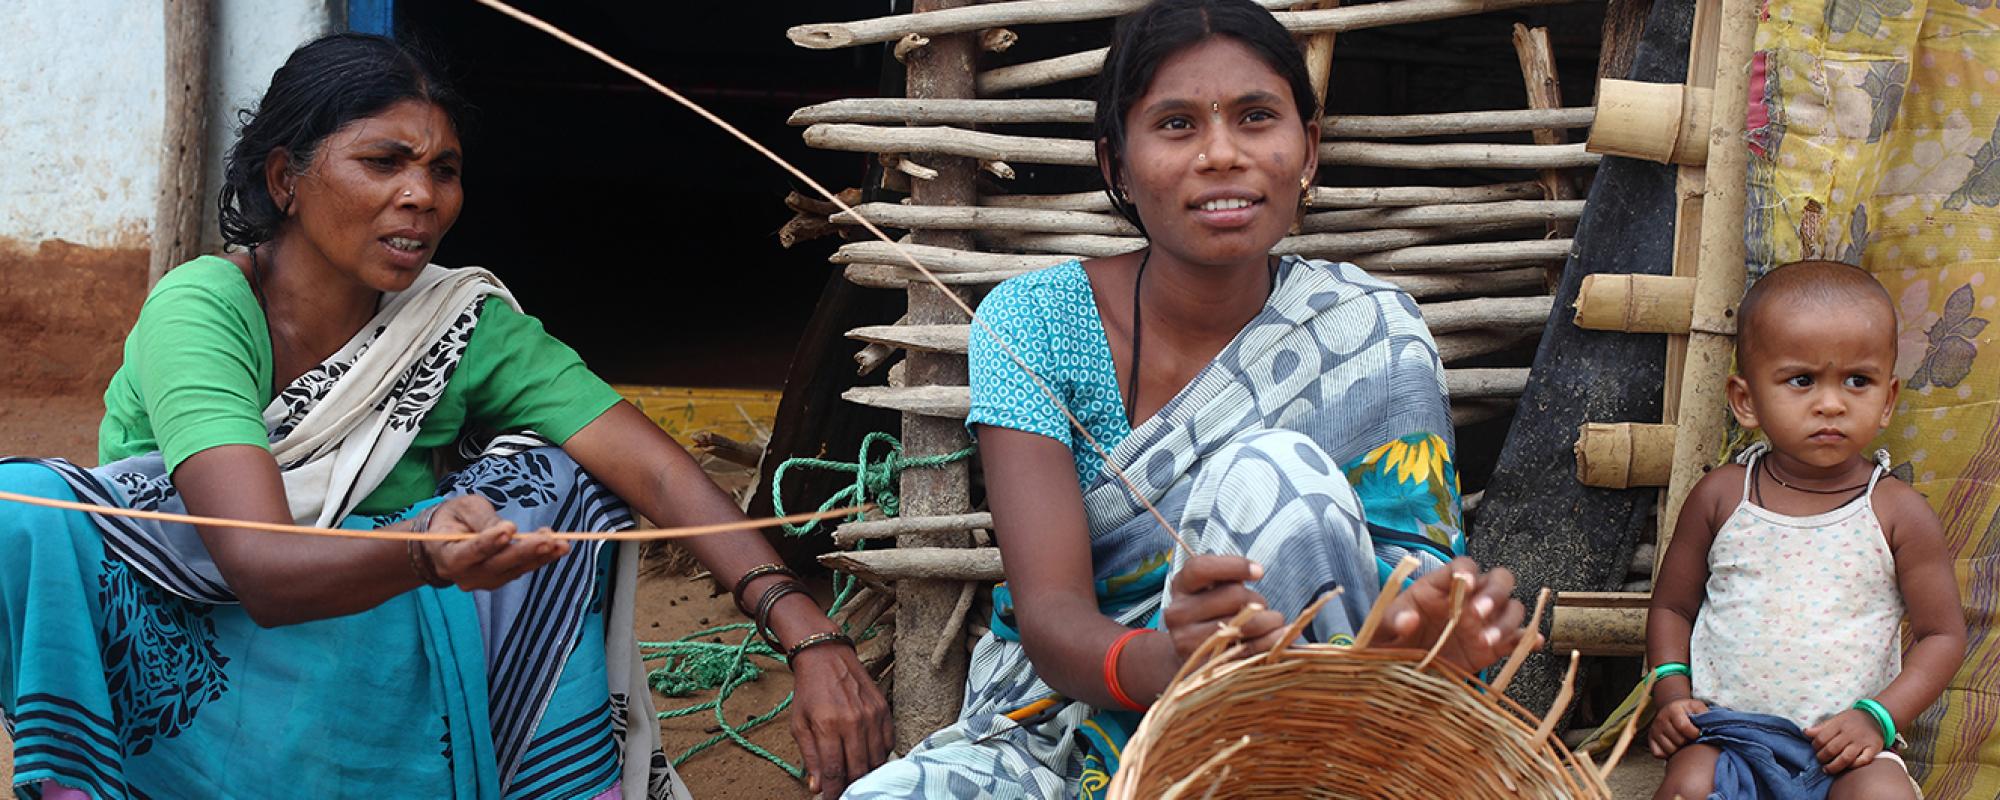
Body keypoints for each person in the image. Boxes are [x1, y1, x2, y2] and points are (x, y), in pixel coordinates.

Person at [0, 33, 889, 800]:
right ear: (286, 178)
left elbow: (652, 467)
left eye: (444, 169)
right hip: (200, 653)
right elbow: (259, 566)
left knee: (564, 477)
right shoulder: (203, 308)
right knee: (26, 515)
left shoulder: (456, 320)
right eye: (384, 162)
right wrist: (425, 549)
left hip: (388, 653)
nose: (423, 194)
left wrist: (804, 633)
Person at [843, 1, 1533, 797]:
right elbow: (1052, 614)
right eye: (1176, 124)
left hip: (1329, 715)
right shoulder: (1032, 322)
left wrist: (1434, 635)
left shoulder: (1370, 330)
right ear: (1116, 165)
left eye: (1256, 117)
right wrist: (1167, 664)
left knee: (1275, 477)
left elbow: (1410, 582)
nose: (1221, 154)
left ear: (1307, 149)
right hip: (1078, 711)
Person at [1646, 260, 1966, 799]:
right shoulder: (1723, 497)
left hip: (1847, 750)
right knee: (1689, 786)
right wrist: (1672, 693)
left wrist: (1878, 718)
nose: (1831, 403)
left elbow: (1943, 635)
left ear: (1887, 400)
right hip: (1731, 736)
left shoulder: (1896, 512)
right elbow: (1672, 608)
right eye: (1802, 380)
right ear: (1745, 400)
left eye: (1857, 381)